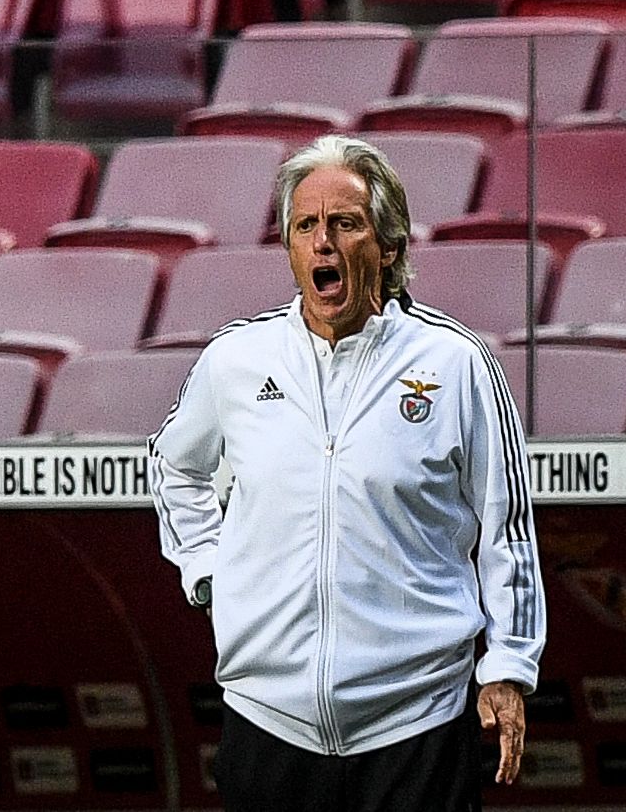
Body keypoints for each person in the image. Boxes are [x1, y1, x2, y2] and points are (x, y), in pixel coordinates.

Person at [148, 134, 545, 811]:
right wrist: (209, 568)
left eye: (344, 223)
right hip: (267, 721)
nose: (322, 242)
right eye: (305, 226)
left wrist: (507, 666)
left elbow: (505, 528)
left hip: (415, 727)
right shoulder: (235, 361)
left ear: (386, 247)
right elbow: (171, 465)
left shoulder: (454, 364)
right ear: (289, 249)